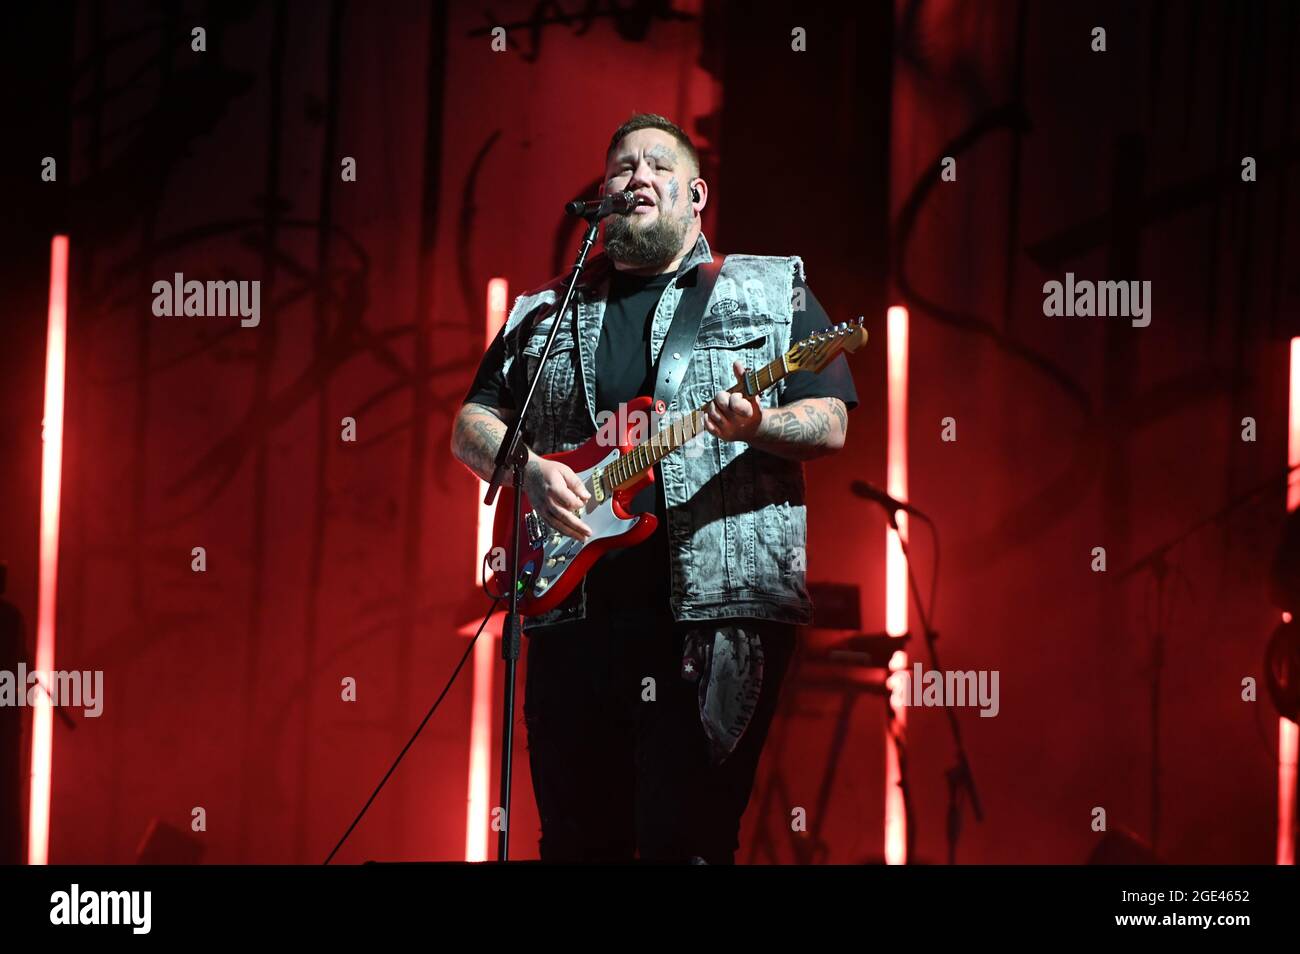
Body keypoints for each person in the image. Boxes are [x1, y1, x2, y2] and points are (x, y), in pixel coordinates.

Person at [451, 113, 858, 863]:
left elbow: (830, 420)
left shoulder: (769, 290)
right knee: (575, 845)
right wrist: (529, 470)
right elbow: (470, 425)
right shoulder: (543, 312)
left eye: (657, 166)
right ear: (602, 197)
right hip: (570, 618)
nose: (636, 176)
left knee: (686, 842)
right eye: (621, 167)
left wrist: (760, 423)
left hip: (711, 618)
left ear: (696, 193)